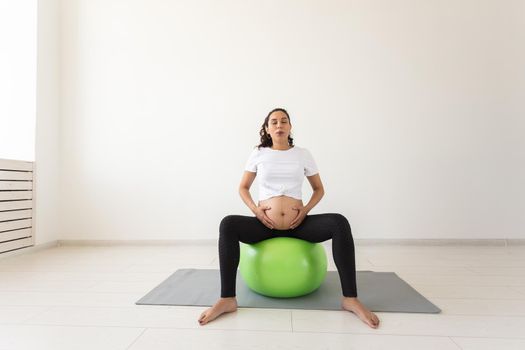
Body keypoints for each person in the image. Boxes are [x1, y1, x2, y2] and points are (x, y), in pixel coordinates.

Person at [198, 108, 380, 328]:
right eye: (273, 122)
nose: (279, 125)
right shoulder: (258, 153)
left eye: (284, 121)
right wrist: (256, 210)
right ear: (267, 128)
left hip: (298, 224)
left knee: (339, 222)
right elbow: (243, 188)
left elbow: (319, 189)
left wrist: (305, 211)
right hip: (265, 225)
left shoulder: (302, 154)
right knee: (228, 224)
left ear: (290, 127)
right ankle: (227, 299)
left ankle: (350, 298)